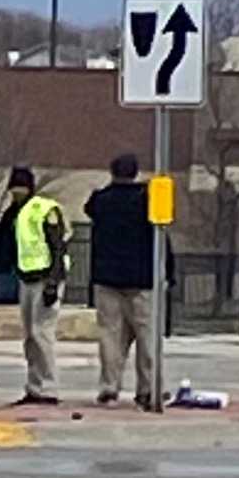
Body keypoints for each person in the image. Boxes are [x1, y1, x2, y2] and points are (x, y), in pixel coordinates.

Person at [87, 151, 158, 406]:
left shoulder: (101, 201)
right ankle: (148, 388)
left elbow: (90, 209)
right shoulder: (145, 200)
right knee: (146, 335)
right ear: (135, 172)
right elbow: (160, 235)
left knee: (110, 335)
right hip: (142, 277)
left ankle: (109, 387)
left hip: (107, 277)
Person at [2, 167, 67, 406]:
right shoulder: (15, 214)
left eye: (20, 187)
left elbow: (58, 247)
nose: (16, 192)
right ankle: (34, 387)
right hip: (27, 279)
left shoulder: (44, 209)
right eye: (13, 188)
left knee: (42, 334)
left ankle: (49, 388)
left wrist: (53, 283)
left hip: (45, 280)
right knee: (30, 336)